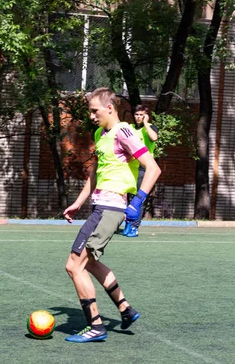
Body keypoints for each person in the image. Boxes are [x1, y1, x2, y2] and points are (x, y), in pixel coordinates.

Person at [63, 88, 161, 343]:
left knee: (74, 265)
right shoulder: (100, 133)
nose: (92, 116)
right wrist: (77, 203)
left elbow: (153, 168)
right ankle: (125, 309)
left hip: (111, 208)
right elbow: (95, 173)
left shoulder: (124, 132)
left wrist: (137, 202)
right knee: (91, 262)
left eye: (95, 111)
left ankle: (95, 325)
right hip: (101, 207)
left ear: (110, 108)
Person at [122, 104, 159, 238]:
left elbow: (154, 138)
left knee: (138, 198)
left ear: (146, 116)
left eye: (141, 115)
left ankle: (134, 227)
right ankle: (127, 223)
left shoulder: (150, 128)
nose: (138, 117)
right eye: (137, 114)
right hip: (129, 168)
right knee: (126, 197)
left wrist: (146, 123)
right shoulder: (130, 128)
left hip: (144, 169)